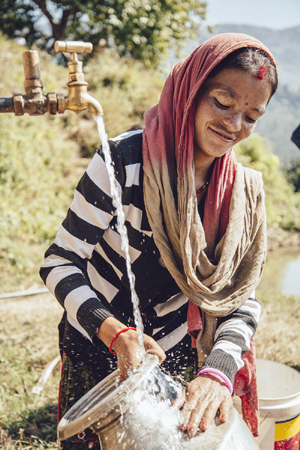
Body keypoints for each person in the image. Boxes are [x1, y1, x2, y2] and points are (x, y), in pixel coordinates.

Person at [40, 33, 277, 449]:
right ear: (190, 91)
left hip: (175, 352)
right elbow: (60, 263)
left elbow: (243, 300)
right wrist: (116, 334)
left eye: (252, 116)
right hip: (98, 343)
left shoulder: (243, 193)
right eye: (222, 103)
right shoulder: (123, 163)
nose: (234, 126)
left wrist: (217, 372)